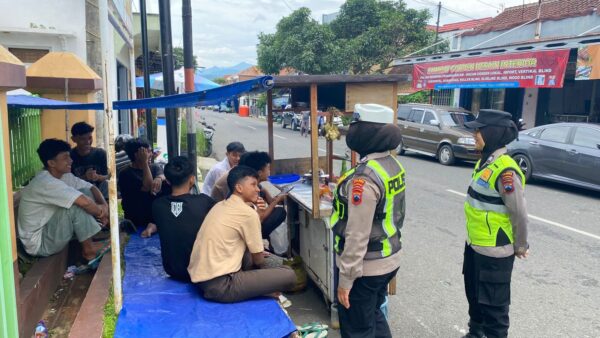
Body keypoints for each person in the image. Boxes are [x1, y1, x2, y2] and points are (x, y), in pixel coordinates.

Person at [330, 104, 405, 338]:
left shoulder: (365, 179)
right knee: (373, 315)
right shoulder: (391, 165)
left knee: (357, 329)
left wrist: (346, 278)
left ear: (368, 134)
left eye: (356, 127)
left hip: (365, 267)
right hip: (388, 258)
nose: (351, 132)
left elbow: (357, 234)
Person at [462, 109, 529, 338]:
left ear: (492, 133)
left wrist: (520, 245)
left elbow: (519, 212)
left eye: (479, 131)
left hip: (494, 251)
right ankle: (475, 333)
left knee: (494, 309)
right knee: (474, 296)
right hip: (475, 245)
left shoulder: (506, 171)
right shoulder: (485, 162)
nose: (475, 135)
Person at [188, 165, 296, 303]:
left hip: (200, 280)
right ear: (239, 188)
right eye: (253, 185)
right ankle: (258, 290)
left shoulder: (220, 205)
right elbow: (259, 261)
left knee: (253, 255)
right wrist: (267, 279)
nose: (258, 189)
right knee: (289, 274)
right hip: (222, 286)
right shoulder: (248, 214)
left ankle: (254, 284)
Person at [17, 139, 109, 261]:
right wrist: (101, 212)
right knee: (76, 205)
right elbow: (84, 202)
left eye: (69, 156)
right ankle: (89, 250)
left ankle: (91, 237)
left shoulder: (62, 175)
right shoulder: (45, 182)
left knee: (84, 193)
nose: (71, 160)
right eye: (65, 158)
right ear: (51, 163)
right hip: (40, 243)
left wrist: (103, 205)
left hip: (50, 228)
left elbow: (90, 187)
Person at [152, 156, 215, 282]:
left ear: (168, 181)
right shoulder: (204, 202)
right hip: (200, 270)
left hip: (172, 270)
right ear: (192, 179)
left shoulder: (157, 205)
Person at [210, 151, 286, 239]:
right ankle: (258, 237)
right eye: (268, 169)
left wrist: (271, 199)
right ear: (260, 173)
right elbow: (258, 218)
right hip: (240, 232)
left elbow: (262, 191)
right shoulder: (247, 191)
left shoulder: (248, 182)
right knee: (280, 212)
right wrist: (276, 201)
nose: (269, 171)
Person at [118, 138, 168, 238]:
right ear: (137, 154)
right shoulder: (125, 173)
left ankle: (153, 225)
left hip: (153, 211)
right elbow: (148, 186)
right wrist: (145, 163)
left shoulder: (154, 167)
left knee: (167, 186)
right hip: (137, 215)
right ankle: (153, 225)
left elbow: (163, 175)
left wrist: (159, 178)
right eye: (147, 152)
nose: (151, 154)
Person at [70, 122, 110, 200]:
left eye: (90, 138)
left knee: (106, 184)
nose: (88, 142)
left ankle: (107, 209)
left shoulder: (101, 154)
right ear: (73, 139)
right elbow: (67, 182)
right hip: (79, 197)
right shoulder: (69, 156)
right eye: (82, 139)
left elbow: (110, 176)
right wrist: (84, 177)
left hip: (102, 195)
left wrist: (98, 177)